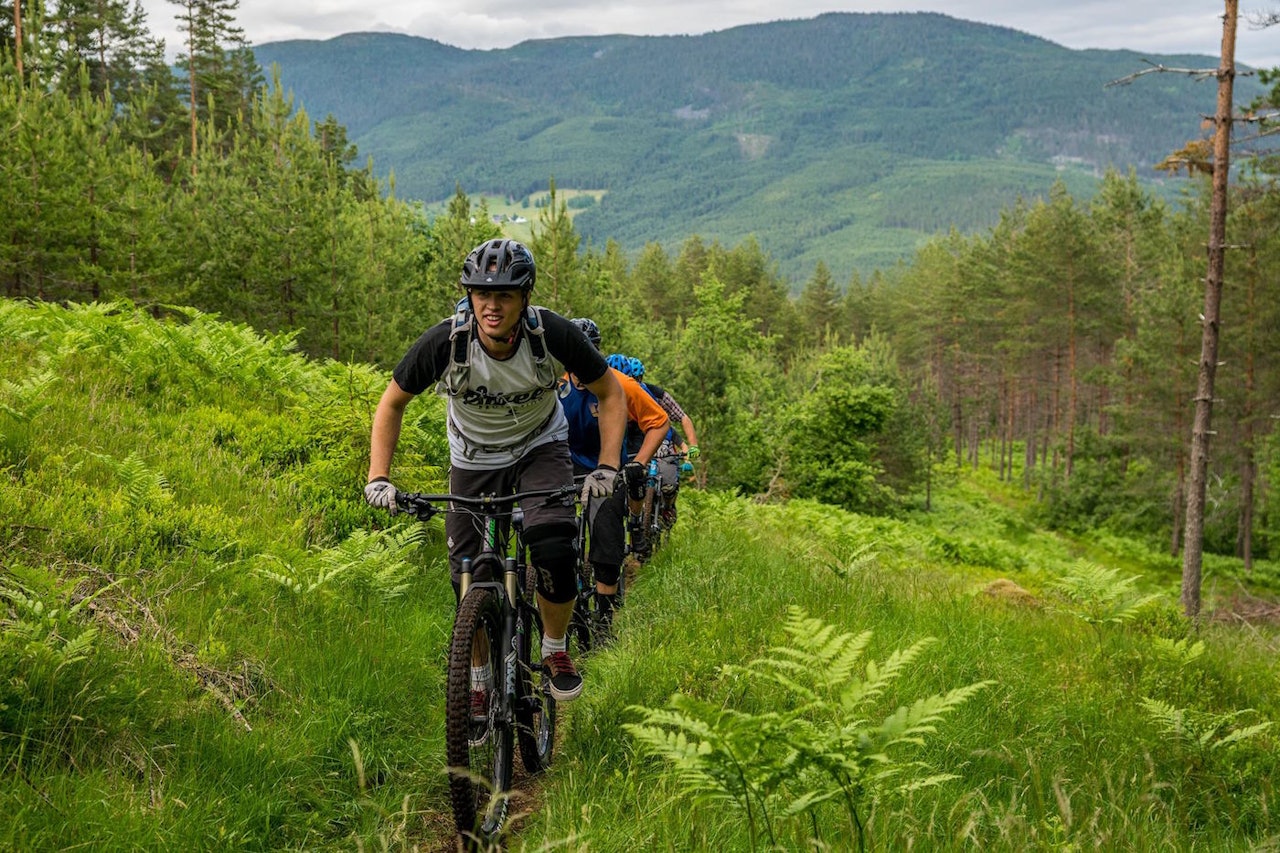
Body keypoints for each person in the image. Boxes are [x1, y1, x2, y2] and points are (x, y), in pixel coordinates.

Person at [364, 239, 626, 711]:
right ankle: (480, 679)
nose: (491, 304)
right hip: (473, 459)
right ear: (468, 296)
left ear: (524, 297)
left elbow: (611, 394)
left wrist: (607, 468)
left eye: (504, 294)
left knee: (553, 544)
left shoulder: (553, 335)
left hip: (539, 447)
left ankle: (554, 649)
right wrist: (378, 477)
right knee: (466, 574)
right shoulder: (446, 342)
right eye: (480, 294)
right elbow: (391, 404)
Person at [561, 319, 669, 633]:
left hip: (607, 468)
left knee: (606, 538)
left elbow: (659, 422)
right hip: (564, 467)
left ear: (597, 351)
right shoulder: (556, 385)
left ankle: (604, 622)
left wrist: (639, 462)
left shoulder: (621, 384)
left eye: (587, 349)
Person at [605, 354, 700, 528]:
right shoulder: (602, 395)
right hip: (629, 444)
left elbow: (682, 419)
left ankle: (667, 508)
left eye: (635, 379)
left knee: (668, 483)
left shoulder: (656, 394)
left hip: (656, 444)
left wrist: (692, 446)